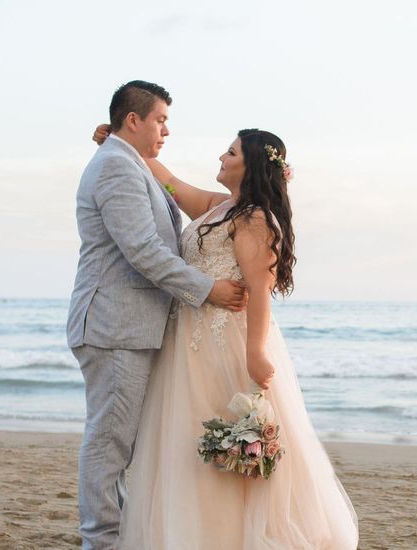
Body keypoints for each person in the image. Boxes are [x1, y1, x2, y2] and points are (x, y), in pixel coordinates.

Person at [92, 124, 360, 549]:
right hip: (186, 344)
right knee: (186, 442)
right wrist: (120, 143)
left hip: (225, 346)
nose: (221, 157)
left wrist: (255, 352)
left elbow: (259, 291)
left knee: (224, 443)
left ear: (250, 164)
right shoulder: (219, 207)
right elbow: (170, 183)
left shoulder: (255, 219)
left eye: (230, 152)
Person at [67, 81, 247, 550]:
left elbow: (171, 196)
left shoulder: (126, 161)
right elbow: (143, 250)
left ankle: (119, 537)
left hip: (128, 327)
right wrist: (208, 289)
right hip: (115, 328)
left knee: (119, 444)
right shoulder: (115, 168)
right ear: (135, 120)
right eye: (161, 119)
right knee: (109, 445)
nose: (167, 129)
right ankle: (101, 542)